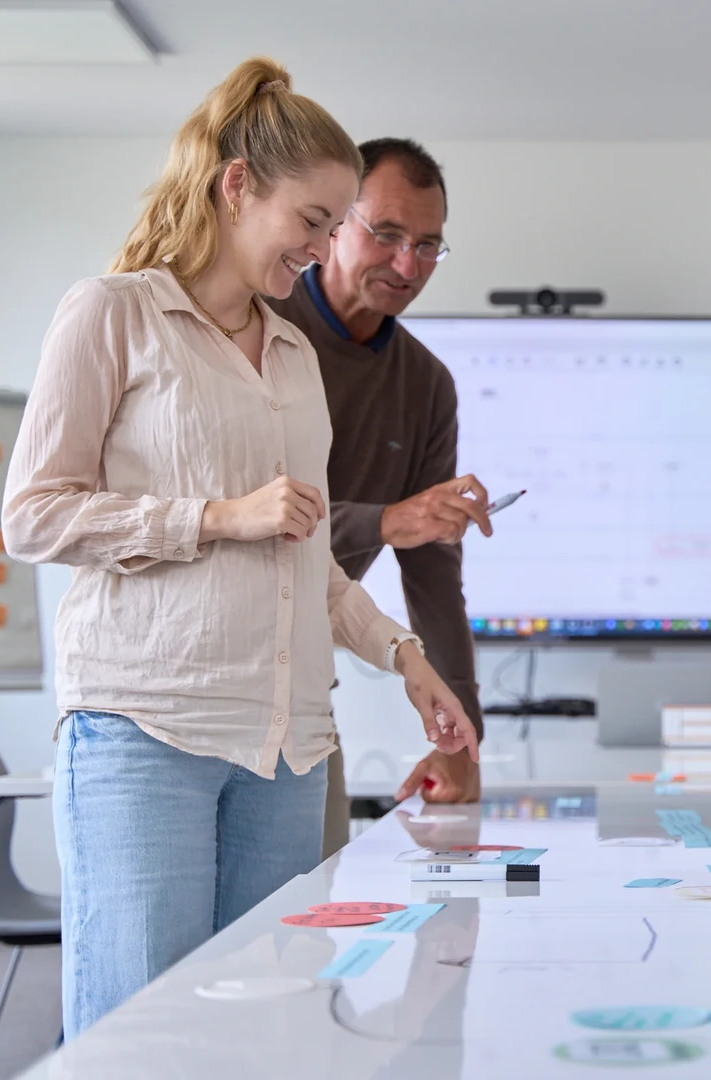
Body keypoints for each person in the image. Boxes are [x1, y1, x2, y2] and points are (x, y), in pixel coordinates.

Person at [2, 58, 478, 1037]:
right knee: (138, 1035)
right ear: (236, 188)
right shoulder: (112, 313)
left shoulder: (295, 355)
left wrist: (411, 662)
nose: (324, 247)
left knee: (273, 1034)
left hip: (290, 747)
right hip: (150, 729)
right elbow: (33, 516)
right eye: (316, 220)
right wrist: (216, 516)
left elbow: (307, 556)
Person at [266, 137, 488, 859]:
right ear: (334, 226)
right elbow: (237, 515)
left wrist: (461, 736)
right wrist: (387, 520)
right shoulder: (258, 329)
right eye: (386, 235)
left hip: (304, 678)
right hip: (203, 679)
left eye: (428, 245)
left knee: (303, 924)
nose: (407, 265)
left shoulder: (426, 386)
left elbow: (434, 579)